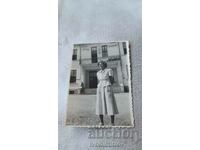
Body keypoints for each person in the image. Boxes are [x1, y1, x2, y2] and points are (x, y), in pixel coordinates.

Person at [96, 60, 119, 126]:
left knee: (110, 104)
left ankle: (112, 122)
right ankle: (101, 122)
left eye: (102, 64)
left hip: (107, 87)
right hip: (100, 87)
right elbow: (99, 81)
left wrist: (108, 85)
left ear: (104, 65)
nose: (100, 65)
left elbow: (111, 80)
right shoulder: (98, 73)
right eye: (99, 64)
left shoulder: (109, 70)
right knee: (100, 104)